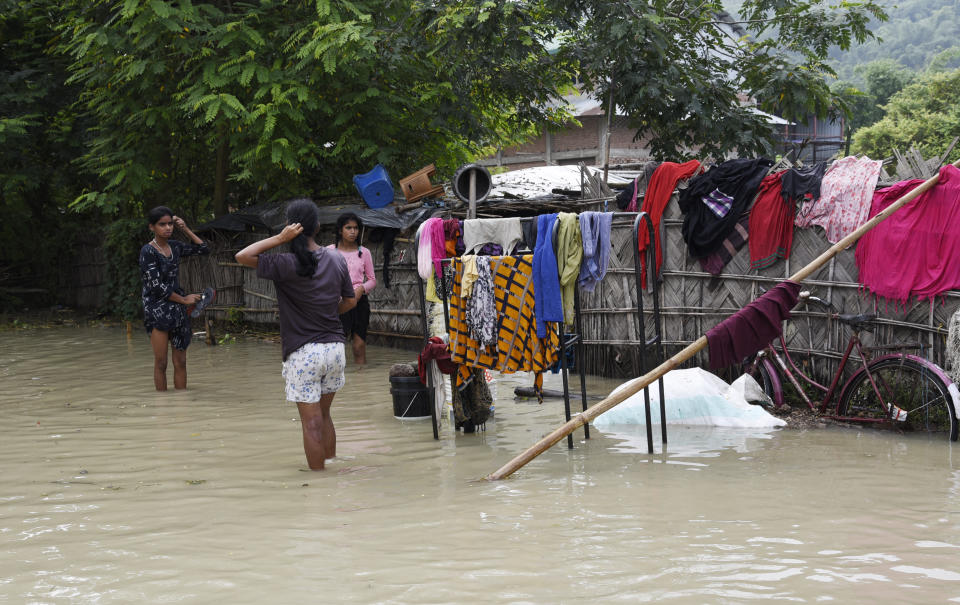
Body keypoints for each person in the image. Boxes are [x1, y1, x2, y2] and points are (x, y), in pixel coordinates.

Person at [235, 199, 356, 471]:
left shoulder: (284, 263)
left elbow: (242, 256)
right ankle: (332, 470)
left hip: (303, 353)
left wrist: (279, 238)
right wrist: (325, 312)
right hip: (335, 349)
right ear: (316, 226)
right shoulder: (336, 258)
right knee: (325, 416)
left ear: (291, 228)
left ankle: (318, 485)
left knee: (311, 423)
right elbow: (349, 301)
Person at [139, 206, 210, 391]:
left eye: (170, 224)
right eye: (162, 224)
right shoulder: (148, 251)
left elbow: (203, 249)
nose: (168, 228)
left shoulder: (176, 247)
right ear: (152, 227)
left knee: (181, 362)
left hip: (177, 309)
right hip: (157, 310)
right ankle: (163, 409)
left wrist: (185, 228)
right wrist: (185, 300)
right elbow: (156, 287)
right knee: (161, 363)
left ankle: (180, 406)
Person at [328, 212, 376, 367]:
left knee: (359, 346)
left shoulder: (364, 252)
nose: (353, 231)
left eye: (356, 228)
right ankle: (336, 381)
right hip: (336, 303)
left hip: (359, 302)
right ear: (340, 230)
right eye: (348, 228)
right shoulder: (328, 251)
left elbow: (372, 280)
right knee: (335, 347)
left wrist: (361, 288)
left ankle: (361, 379)